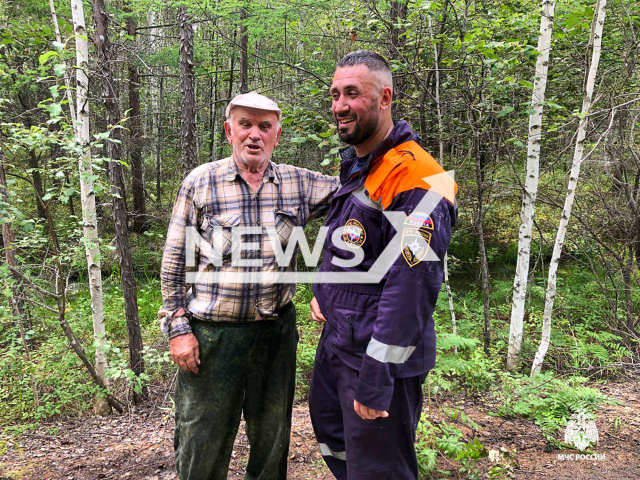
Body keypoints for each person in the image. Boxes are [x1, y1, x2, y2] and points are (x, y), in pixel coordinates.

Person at [159, 92, 340, 480]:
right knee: (200, 441)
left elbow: (355, 191)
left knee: (273, 439)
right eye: (245, 124)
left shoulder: (299, 183)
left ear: (277, 134)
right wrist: (178, 330)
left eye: (264, 126)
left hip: (276, 335)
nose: (254, 135)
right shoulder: (200, 182)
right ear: (229, 131)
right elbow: (174, 263)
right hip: (212, 338)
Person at [308, 51, 458, 479]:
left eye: (352, 93)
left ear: (384, 97)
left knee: (379, 470)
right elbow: (351, 243)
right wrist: (324, 291)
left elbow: (412, 285)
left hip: (376, 359)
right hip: (340, 344)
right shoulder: (360, 164)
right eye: (335, 94)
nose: (339, 106)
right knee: (336, 446)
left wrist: (377, 377)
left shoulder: (419, 178)